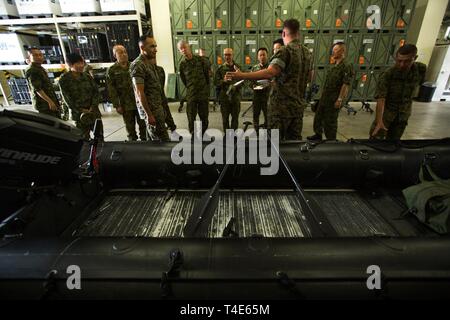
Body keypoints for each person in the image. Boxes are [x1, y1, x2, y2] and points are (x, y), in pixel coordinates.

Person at [225, 19, 312, 140]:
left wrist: (242, 75)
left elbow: (270, 72)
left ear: (283, 33)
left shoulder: (285, 50)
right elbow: (310, 77)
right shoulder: (307, 53)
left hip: (281, 111)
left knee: (276, 146)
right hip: (297, 110)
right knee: (294, 145)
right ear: (298, 33)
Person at [370, 44, 427, 140]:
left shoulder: (420, 69)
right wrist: (379, 121)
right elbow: (381, 99)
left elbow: (420, 83)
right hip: (386, 115)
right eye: (399, 61)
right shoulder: (388, 74)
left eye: (407, 61)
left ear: (415, 58)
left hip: (403, 116)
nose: (402, 64)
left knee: (394, 143)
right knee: (375, 142)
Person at [308, 42, 354, 141]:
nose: (333, 51)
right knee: (318, 116)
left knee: (330, 121)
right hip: (325, 97)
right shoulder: (334, 65)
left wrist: (340, 99)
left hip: (334, 99)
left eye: (336, 49)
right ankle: (318, 134)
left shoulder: (346, 66)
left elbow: (345, 84)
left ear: (342, 51)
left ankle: (331, 140)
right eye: (333, 49)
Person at [130, 35, 169, 141]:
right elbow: (139, 93)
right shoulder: (138, 65)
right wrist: (149, 115)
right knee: (162, 144)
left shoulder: (149, 63)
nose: (155, 50)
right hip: (152, 112)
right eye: (152, 46)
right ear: (142, 48)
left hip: (157, 109)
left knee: (153, 142)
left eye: (155, 46)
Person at [106, 44, 147, 141]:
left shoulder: (133, 66)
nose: (124, 54)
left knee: (143, 126)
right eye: (120, 53)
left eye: (125, 52)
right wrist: (117, 105)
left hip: (138, 102)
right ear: (115, 55)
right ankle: (132, 145)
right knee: (130, 128)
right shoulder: (111, 70)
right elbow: (111, 89)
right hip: (125, 104)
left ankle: (145, 144)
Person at [59, 53, 102, 140]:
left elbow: (96, 92)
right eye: (78, 63)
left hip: (93, 112)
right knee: (83, 139)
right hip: (79, 115)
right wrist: (81, 109)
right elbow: (67, 99)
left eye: (82, 63)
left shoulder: (87, 77)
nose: (81, 65)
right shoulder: (64, 79)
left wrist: (93, 106)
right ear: (70, 64)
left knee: (99, 136)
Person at [177, 40, 210, 134]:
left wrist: (206, 90)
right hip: (191, 95)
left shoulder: (201, 60)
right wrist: (191, 88)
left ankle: (203, 134)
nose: (183, 50)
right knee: (191, 117)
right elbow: (184, 80)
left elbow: (207, 77)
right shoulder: (182, 65)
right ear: (179, 51)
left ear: (189, 47)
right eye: (181, 49)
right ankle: (193, 135)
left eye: (184, 47)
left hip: (203, 94)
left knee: (204, 117)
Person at [24, 48, 61, 119]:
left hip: (49, 99)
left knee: (56, 120)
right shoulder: (32, 70)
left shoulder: (39, 68)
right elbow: (38, 89)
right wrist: (50, 102)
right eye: (35, 55)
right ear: (29, 58)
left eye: (40, 55)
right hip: (44, 104)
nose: (39, 57)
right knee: (51, 122)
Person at [215, 48, 242, 131]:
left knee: (235, 119)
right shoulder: (220, 69)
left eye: (229, 54)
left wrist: (237, 81)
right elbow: (215, 83)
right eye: (225, 54)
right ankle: (227, 137)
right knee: (225, 119)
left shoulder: (237, 68)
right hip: (224, 98)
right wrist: (224, 81)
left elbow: (243, 81)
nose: (227, 56)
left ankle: (234, 136)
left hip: (235, 98)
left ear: (232, 55)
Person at [149, 57, 176, 132]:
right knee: (158, 117)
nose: (153, 60)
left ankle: (172, 128)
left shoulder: (160, 69)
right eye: (152, 59)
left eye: (154, 58)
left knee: (167, 114)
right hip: (153, 99)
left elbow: (162, 82)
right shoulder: (147, 70)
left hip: (162, 97)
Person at [250, 47, 270, 131]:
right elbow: (250, 82)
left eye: (264, 55)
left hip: (268, 97)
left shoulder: (271, 68)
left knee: (268, 116)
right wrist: (253, 86)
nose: (262, 57)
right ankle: (256, 131)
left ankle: (268, 132)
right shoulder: (254, 68)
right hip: (257, 96)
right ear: (258, 57)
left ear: (267, 56)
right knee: (256, 115)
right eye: (260, 55)